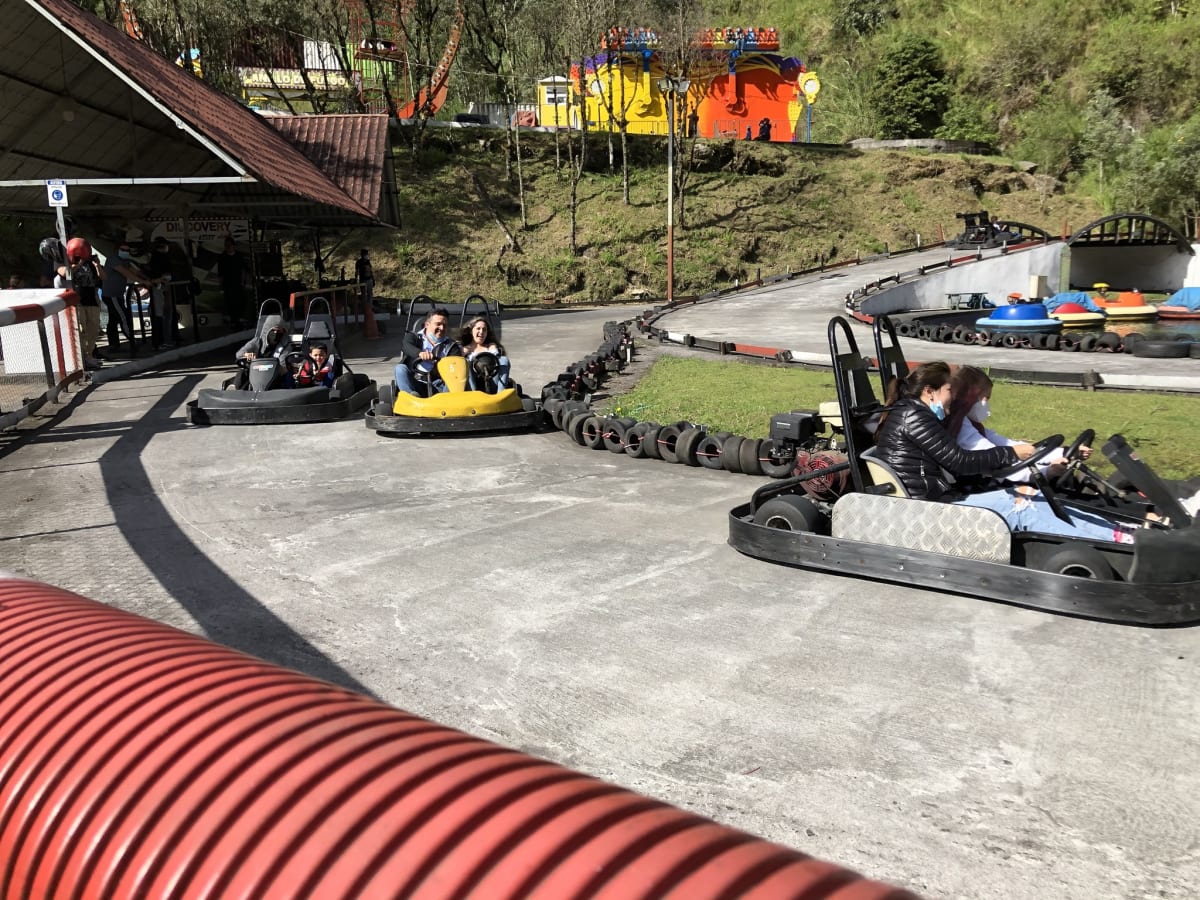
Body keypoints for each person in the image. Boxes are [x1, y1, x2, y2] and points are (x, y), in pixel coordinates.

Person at [874, 361, 1137, 543]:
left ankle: (1114, 532)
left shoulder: (916, 414)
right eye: (948, 391)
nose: (952, 397)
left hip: (936, 496)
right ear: (929, 392)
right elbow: (960, 462)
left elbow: (965, 456)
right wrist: (1012, 455)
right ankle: (1113, 541)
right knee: (1021, 508)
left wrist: (1026, 452)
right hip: (927, 507)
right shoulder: (913, 416)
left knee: (1026, 495)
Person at [947, 366, 1076, 485]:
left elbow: (1007, 444)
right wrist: (1045, 472)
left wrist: (1062, 452)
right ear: (971, 395)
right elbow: (994, 459)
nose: (987, 405)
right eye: (986, 398)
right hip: (966, 488)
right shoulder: (961, 428)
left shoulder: (970, 425)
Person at [394, 308, 461, 396]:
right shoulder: (413, 337)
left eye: (444, 325)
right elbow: (407, 346)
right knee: (400, 368)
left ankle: (446, 401)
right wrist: (420, 353)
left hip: (441, 385)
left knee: (456, 376)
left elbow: (455, 364)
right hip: (417, 382)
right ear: (427, 324)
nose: (441, 328)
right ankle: (410, 398)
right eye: (438, 324)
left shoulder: (452, 345)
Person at [66, 237, 105, 370]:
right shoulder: (71, 263)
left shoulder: (91, 264)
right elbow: (67, 274)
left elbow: (103, 277)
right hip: (78, 300)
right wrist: (79, 262)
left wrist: (97, 265)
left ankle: (89, 354)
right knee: (81, 328)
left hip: (91, 299)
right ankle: (81, 357)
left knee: (93, 329)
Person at [99, 242, 144, 357]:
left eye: (128, 250)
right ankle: (133, 341)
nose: (126, 252)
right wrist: (143, 282)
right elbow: (126, 272)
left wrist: (146, 278)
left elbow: (134, 271)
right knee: (123, 316)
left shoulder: (126, 261)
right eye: (123, 250)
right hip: (111, 294)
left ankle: (114, 345)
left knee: (113, 320)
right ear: (117, 249)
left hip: (117, 294)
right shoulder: (113, 259)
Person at [233, 324, 293, 389]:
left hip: (273, 376)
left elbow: (282, 367)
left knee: (286, 377)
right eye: (274, 330)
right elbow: (239, 354)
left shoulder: (285, 346)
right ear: (267, 330)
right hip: (255, 373)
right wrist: (247, 355)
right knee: (242, 372)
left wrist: (265, 367)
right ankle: (236, 390)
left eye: (279, 332)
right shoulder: (257, 342)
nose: (276, 334)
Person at [460, 316, 511, 392]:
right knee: (465, 363)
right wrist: (463, 352)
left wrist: (493, 351)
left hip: (491, 382)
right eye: (478, 329)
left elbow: (499, 362)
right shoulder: (463, 348)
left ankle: (500, 395)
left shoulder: (490, 347)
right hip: (471, 385)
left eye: (484, 330)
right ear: (471, 330)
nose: (481, 332)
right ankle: (474, 395)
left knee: (504, 359)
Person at [216, 236, 248, 328]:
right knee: (230, 302)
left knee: (241, 301)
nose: (228, 247)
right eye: (226, 245)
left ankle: (238, 318)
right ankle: (234, 320)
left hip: (238, 283)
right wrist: (220, 286)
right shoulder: (222, 257)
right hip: (227, 284)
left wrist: (243, 281)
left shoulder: (239, 256)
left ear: (233, 246)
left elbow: (244, 269)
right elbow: (220, 273)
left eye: (229, 245)